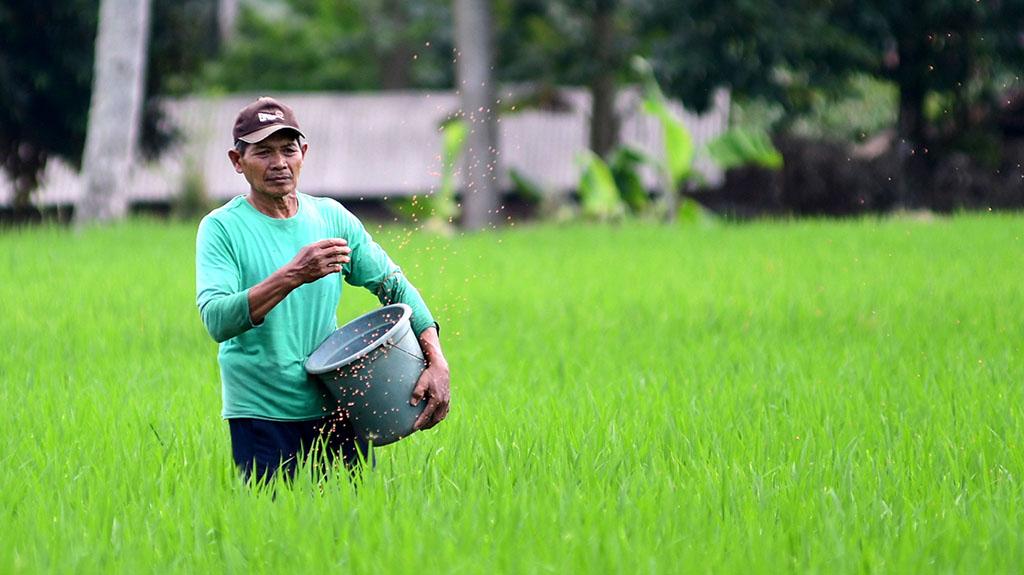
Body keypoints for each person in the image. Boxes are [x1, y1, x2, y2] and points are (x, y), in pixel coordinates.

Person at [195, 97, 451, 483]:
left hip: (337, 408)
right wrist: (293, 274)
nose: (279, 163)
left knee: (353, 527)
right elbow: (216, 320)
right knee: (271, 531)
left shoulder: (330, 218)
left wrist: (436, 360)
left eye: (288, 150)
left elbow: (394, 286)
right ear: (237, 161)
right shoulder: (222, 228)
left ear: (304, 152)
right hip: (260, 416)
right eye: (263, 152)